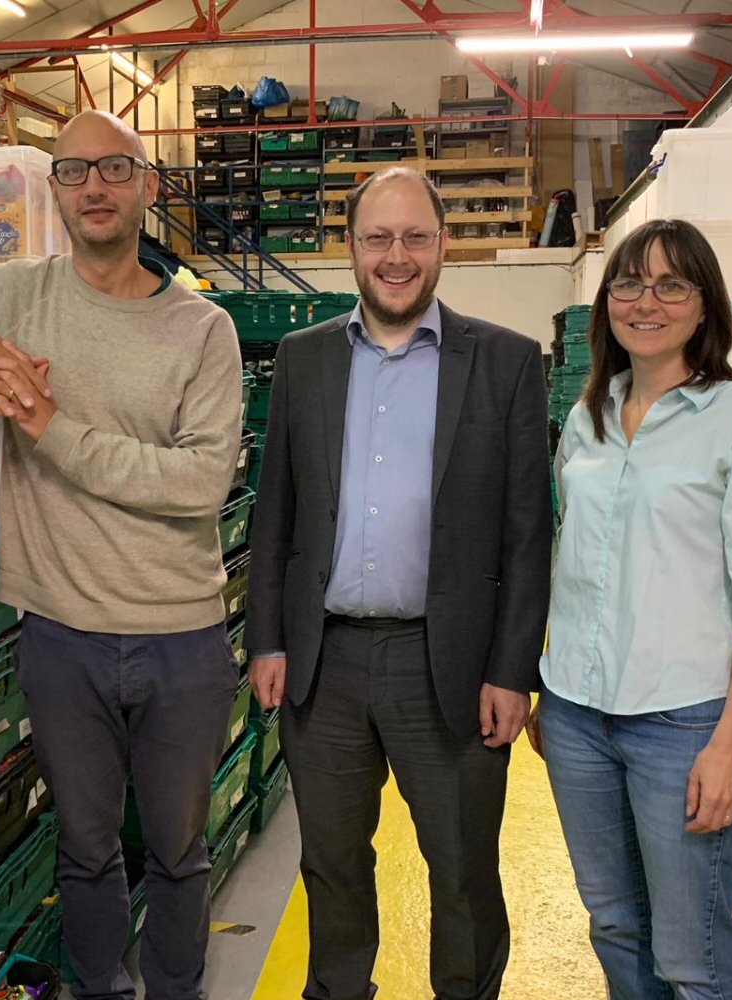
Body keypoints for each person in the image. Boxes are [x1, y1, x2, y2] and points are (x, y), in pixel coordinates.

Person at [0, 110, 243, 1000]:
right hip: (61, 635)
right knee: (86, 849)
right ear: (54, 189)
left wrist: (50, 427)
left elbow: (199, 481)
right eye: (73, 171)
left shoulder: (202, 329)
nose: (94, 187)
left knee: (178, 851)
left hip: (181, 639)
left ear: (148, 186)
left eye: (115, 169)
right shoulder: (13, 295)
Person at [245, 167, 553, 1000]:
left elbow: (529, 535)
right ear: (350, 248)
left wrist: (513, 671)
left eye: (416, 237)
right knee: (332, 864)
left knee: (462, 870)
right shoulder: (305, 358)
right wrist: (267, 638)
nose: (397, 255)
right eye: (378, 237)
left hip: (449, 664)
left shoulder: (505, 363)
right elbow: (276, 512)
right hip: (326, 664)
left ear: (444, 245)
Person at [540, 218, 732, 1000]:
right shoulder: (588, 416)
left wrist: (730, 743)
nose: (645, 302)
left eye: (670, 285)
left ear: (704, 306)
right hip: (577, 714)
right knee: (615, 927)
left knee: (692, 957)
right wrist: (554, 683)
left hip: (683, 725)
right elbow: (571, 559)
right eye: (628, 284)